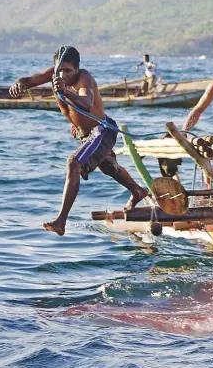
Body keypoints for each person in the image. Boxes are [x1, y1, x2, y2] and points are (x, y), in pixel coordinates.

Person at [9, 46, 148, 236]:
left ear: (77, 68)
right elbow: (30, 80)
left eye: (68, 70)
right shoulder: (53, 74)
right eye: (60, 70)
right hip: (85, 134)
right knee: (107, 166)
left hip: (101, 130)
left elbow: (86, 103)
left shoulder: (84, 77)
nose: (63, 74)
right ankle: (138, 192)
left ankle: (61, 221)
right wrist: (20, 83)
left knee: (74, 163)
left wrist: (66, 91)